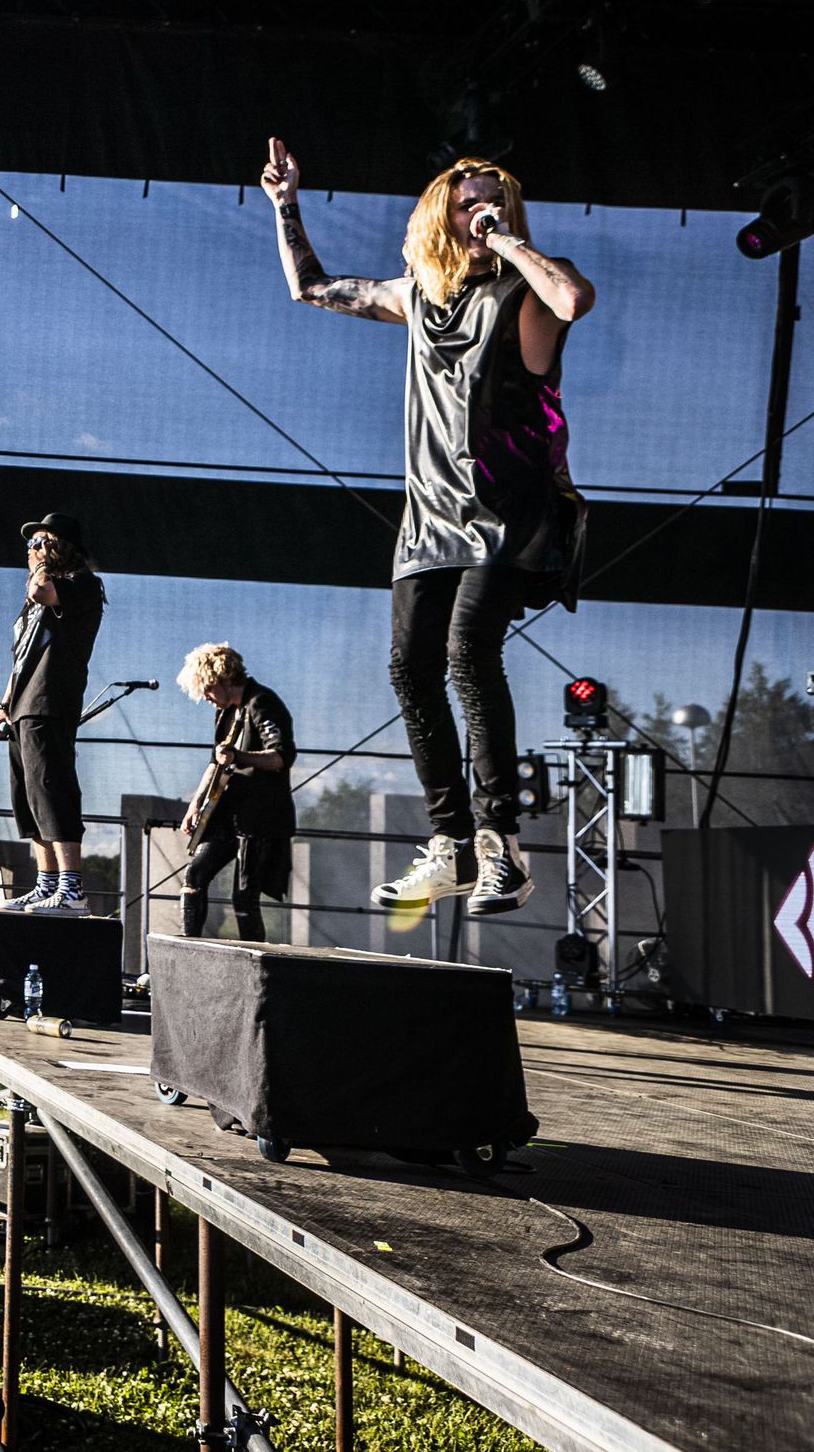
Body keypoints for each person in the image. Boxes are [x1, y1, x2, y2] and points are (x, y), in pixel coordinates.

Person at [266, 138, 594, 916]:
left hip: (507, 511)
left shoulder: (523, 293)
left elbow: (575, 300)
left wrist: (509, 238)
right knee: (410, 668)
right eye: (468, 198)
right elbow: (309, 286)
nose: (482, 207)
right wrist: (286, 203)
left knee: (467, 651)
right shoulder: (416, 294)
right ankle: (447, 844)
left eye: (497, 198)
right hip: (430, 518)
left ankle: (500, 846)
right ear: (438, 212)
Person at [0, 511, 106, 916]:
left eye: (40, 542)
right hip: (23, 706)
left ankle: (72, 889)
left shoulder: (82, 585)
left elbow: (45, 591)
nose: (32, 551)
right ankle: (45, 885)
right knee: (29, 798)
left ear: (62, 547)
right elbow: (21, 657)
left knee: (52, 789)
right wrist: (4, 704)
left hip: (50, 701)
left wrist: (40, 567)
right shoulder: (32, 603)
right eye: (30, 545)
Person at [172, 644, 296, 943]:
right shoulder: (226, 712)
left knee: (244, 897)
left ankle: (253, 969)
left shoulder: (262, 702)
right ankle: (189, 950)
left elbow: (281, 757)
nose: (206, 696)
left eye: (209, 688)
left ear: (225, 677)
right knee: (194, 877)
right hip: (230, 814)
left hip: (261, 818)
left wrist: (240, 757)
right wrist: (194, 806)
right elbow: (217, 761)